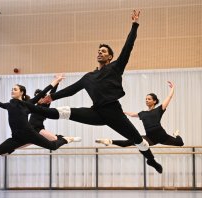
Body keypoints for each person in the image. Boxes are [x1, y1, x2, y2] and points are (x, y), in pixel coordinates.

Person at [23, 10, 163, 173]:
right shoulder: (88, 77)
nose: (100, 52)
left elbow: (128, 47)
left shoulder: (115, 67)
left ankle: (151, 161)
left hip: (114, 113)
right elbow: (72, 89)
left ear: (110, 57)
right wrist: (51, 97)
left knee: (140, 141)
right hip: (96, 113)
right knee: (66, 112)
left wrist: (135, 25)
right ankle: (29, 107)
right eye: (99, 51)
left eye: (104, 51)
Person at [0, 75, 74, 175]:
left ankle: (65, 139)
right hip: (16, 137)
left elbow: (43, 92)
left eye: (15, 89)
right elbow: (0, 103)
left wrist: (56, 81)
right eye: (12, 89)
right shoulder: (9, 104)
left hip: (30, 134)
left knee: (52, 146)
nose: (12, 90)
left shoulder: (28, 104)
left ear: (22, 92)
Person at [96, 81, 184, 148]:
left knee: (180, 143)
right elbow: (132, 114)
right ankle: (109, 141)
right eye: (146, 99)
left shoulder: (159, 110)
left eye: (149, 99)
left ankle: (176, 134)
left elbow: (169, 98)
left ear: (154, 101)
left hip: (163, 136)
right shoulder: (143, 113)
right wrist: (122, 112)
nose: (146, 100)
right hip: (150, 139)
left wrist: (172, 88)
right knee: (130, 142)